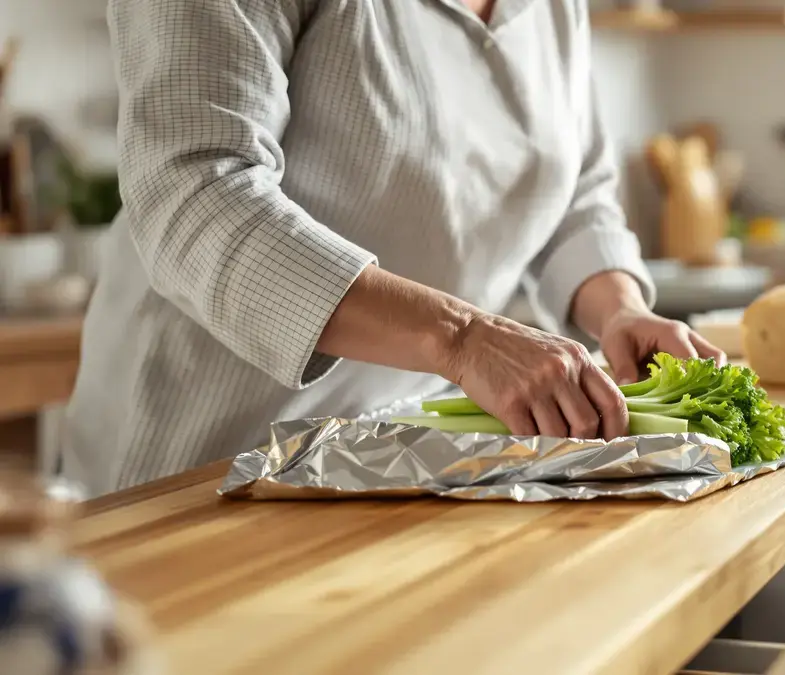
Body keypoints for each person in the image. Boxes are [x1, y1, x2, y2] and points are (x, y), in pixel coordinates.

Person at [63, 0, 725, 497]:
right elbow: (194, 191)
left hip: (405, 466)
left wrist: (617, 310)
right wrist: (462, 337)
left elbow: (575, 190)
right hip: (203, 470)